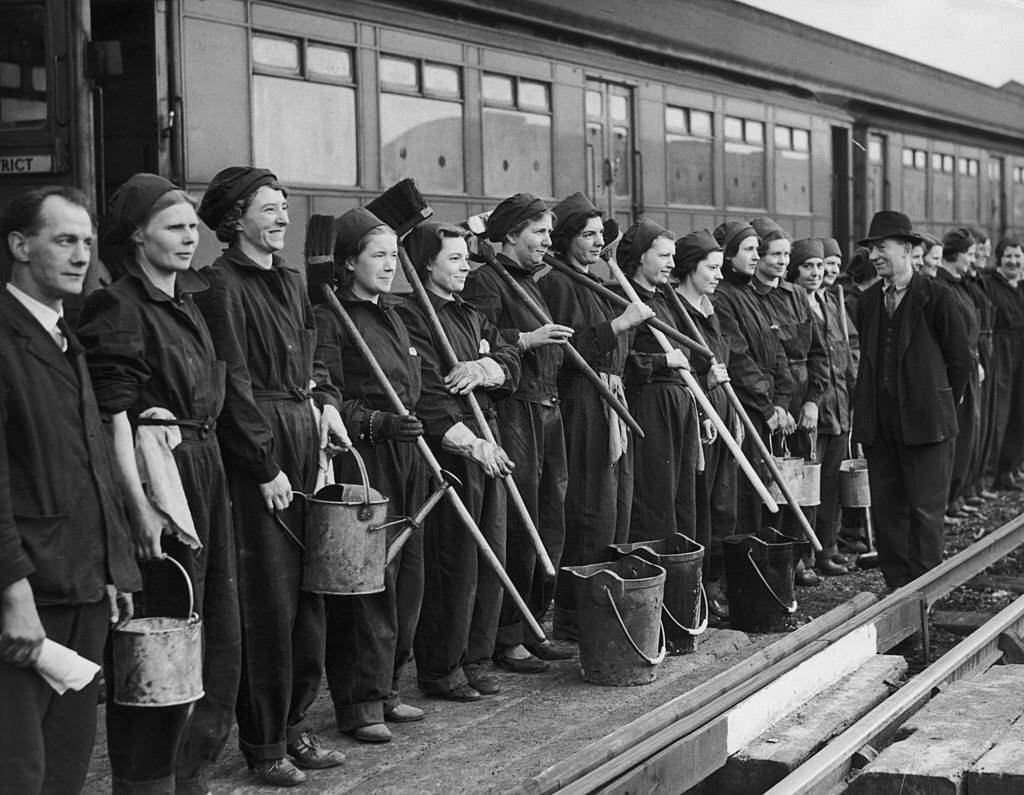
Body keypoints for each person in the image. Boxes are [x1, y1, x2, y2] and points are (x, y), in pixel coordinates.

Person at [77, 174, 241, 795]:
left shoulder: (186, 302)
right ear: (137, 237)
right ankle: (147, 780)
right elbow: (112, 413)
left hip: (202, 467)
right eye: (173, 227)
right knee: (160, 634)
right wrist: (140, 507)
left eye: (191, 226)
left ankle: (186, 771)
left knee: (211, 628)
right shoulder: (119, 304)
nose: (189, 237)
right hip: (160, 482)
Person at [195, 167, 350, 786]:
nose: (284, 217)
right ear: (235, 219)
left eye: (286, 207)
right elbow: (230, 381)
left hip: (303, 434)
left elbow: (313, 359)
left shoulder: (289, 280)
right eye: (270, 208)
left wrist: (328, 406)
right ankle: (263, 744)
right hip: (259, 446)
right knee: (268, 601)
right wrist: (263, 466)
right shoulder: (217, 285)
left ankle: (293, 726)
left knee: (309, 596)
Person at [0, 186, 139, 793]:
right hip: (31, 594)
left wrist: (114, 569)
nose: (81, 255)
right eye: (64, 240)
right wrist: (12, 593)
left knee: (66, 764)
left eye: (86, 241)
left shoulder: (65, 339)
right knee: (19, 768)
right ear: (19, 245)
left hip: (81, 585)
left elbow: (91, 467)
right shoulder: (6, 340)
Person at [314, 208, 428, 742]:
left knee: (407, 577)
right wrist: (376, 421)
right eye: (377, 256)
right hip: (364, 460)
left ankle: (388, 688)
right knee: (368, 581)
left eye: (392, 256)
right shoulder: (332, 316)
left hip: (407, 455)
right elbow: (330, 394)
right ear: (348, 262)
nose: (389, 265)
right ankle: (359, 703)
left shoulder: (394, 313)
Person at [398, 221, 521, 701]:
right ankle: (442, 667)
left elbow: (510, 358)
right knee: (456, 561)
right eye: (454, 258)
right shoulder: (413, 317)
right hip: (450, 447)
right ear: (426, 263)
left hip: (490, 440)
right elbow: (426, 389)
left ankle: (475, 657)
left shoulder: (470, 314)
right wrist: (468, 442)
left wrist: (486, 368)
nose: (465, 265)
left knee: (491, 553)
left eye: (467, 257)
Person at [461, 193, 573, 672]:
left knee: (550, 523)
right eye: (540, 233)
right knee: (520, 526)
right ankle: (508, 638)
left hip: (548, 407)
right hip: (514, 412)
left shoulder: (534, 280)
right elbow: (477, 341)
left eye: (549, 232)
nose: (548, 241)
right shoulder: (488, 280)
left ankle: (532, 623)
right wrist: (526, 340)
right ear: (509, 235)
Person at [539, 192, 653, 639]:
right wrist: (620, 325)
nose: (596, 242)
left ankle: (603, 604)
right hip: (582, 402)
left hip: (611, 398)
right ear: (565, 240)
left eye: (601, 234)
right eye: (587, 234)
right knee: (589, 509)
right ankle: (574, 615)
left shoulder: (596, 282)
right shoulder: (557, 284)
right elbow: (564, 354)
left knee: (614, 510)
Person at [852, 211, 971, 590]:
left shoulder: (937, 297)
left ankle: (925, 594)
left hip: (926, 424)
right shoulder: (869, 302)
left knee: (924, 513)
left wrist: (939, 406)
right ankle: (898, 593)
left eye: (881, 248)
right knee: (889, 513)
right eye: (871, 250)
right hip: (881, 427)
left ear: (906, 249)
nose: (874, 257)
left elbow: (960, 362)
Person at [748, 221, 828, 586]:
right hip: (773, 401)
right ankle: (776, 559)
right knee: (774, 482)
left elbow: (818, 353)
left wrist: (813, 401)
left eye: (785, 255)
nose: (782, 261)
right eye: (775, 254)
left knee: (804, 481)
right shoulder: (750, 297)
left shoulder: (797, 296)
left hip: (802, 401)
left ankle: (800, 557)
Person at [619, 219, 701, 542]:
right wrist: (662, 361)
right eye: (664, 256)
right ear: (641, 257)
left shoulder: (665, 301)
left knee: (682, 498)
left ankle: (685, 581)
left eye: (673, 256)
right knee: (655, 498)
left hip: (680, 405)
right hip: (649, 406)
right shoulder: (622, 298)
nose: (672, 263)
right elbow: (622, 363)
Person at [711, 221, 794, 540]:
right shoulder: (724, 298)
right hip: (746, 410)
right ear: (728, 255)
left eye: (758, 250)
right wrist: (768, 406)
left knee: (765, 492)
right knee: (746, 495)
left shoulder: (752, 295)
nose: (757, 256)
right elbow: (740, 359)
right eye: (748, 250)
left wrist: (782, 402)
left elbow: (778, 352)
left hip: (767, 408)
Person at [670, 228, 736, 615]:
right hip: (699, 416)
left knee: (724, 504)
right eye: (712, 268)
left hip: (722, 409)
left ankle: (715, 583)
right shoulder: (678, 312)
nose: (719, 276)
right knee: (702, 507)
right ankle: (699, 592)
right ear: (690, 268)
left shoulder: (712, 310)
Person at [788, 238, 857, 576]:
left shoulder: (830, 302)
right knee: (808, 486)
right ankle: (804, 555)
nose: (817, 273)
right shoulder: (794, 304)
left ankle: (826, 549)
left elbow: (848, 347)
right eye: (810, 266)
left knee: (830, 484)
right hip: (812, 407)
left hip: (838, 406)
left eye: (820, 266)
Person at [934, 228, 982, 525]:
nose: (973, 260)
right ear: (955, 255)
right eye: (970, 254)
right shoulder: (943, 288)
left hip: (968, 365)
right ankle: (948, 499)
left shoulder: (960, 284)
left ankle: (956, 495)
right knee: (957, 435)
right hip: (954, 372)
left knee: (969, 434)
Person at [982, 237, 1024, 491]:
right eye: (1008, 256)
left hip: (1022, 349)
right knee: (1001, 410)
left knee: (1021, 408)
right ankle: (996, 471)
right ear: (999, 259)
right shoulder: (989, 285)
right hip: (1001, 350)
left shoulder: (1021, 286)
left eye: (1018, 257)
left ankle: (1013, 464)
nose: (1013, 261)